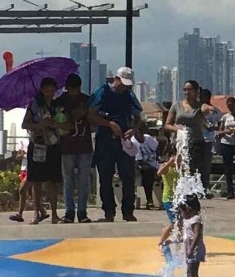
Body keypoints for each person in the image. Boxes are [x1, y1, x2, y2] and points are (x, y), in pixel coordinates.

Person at [89, 68, 143, 222]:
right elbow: (91, 114)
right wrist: (109, 124)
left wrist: (133, 129)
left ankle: (128, 211)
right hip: (105, 139)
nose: (124, 87)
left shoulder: (129, 95)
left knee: (128, 176)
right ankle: (109, 211)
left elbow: (138, 116)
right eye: (123, 83)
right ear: (116, 79)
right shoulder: (102, 91)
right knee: (105, 177)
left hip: (124, 140)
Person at [12, 77, 60, 224]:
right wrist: (39, 125)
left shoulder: (57, 105)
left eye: (52, 90)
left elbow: (64, 124)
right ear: (42, 90)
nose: (49, 93)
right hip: (37, 145)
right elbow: (25, 124)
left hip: (53, 144)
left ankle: (54, 214)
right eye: (47, 90)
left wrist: (54, 124)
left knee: (51, 181)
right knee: (36, 180)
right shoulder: (34, 105)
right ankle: (36, 212)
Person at [55, 74, 95, 224]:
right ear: (66, 88)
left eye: (77, 90)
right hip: (67, 146)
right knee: (68, 180)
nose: (74, 93)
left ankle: (82, 211)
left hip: (84, 145)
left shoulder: (87, 100)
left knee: (84, 180)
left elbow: (94, 118)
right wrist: (70, 116)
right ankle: (69, 211)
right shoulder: (60, 101)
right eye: (72, 90)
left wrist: (86, 112)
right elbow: (56, 120)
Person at [159, 195, 205, 277]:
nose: (182, 215)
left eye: (182, 212)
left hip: (195, 249)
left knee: (190, 273)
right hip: (192, 248)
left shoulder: (196, 220)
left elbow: (197, 235)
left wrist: (191, 249)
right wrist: (172, 241)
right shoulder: (190, 220)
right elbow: (186, 237)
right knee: (194, 273)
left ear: (188, 209)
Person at [128, 121, 160, 209]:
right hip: (140, 164)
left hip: (154, 162)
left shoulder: (148, 138)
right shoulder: (133, 142)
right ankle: (149, 200)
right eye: (137, 129)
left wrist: (159, 158)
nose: (139, 131)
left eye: (141, 129)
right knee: (148, 171)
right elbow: (139, 160)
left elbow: (156, 147)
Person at [197, 88, 221, 194]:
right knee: (195, 165)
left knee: (206, 166)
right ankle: (195, 189)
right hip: (196, 139)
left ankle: (204, 188)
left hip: (208, 141)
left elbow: (221, 125)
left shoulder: (216, 111)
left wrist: (213, 128)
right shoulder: (196, 110)